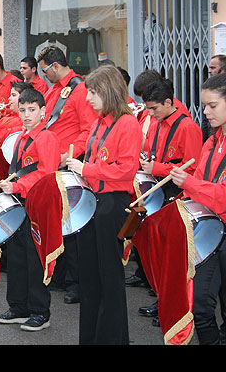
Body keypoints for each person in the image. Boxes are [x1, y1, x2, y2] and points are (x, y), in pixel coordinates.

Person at [65, 65, 141, 345]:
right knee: (90, 276)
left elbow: (126, 170)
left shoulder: (127, 123)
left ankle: (112, 338)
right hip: (92, 202)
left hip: (111, 204)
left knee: (109, 276)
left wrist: (87, 170)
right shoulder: (99, 122)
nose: (88, 98)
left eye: (94, 92)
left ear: (108, 91)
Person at [131, 78, 203, 321]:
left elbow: (192, 170)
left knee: (175, 258)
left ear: (169, 102)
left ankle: (176, 307)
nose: (150, 113)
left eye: (154, 108)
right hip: (157, 192)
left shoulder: (188, 127)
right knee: (156, 250)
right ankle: (162, 299)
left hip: (176, 196)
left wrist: (157, 168)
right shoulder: (156, 123)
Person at [0, 87, 61, 331]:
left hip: (39, 206)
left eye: (32, 110)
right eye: (22, 110)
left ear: (43, 111)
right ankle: (18, 306)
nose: (27, 115)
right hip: (21, 203)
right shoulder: (21, 137)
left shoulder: (47, 138)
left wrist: (18, 186)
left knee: (35, 258)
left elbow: (47, 173)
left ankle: (40, 311)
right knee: (17, 255)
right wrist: (11, 184)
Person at [37, 45, 97, 304]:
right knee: (57, 223)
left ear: (55, 66)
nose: (43, 75)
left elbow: (88, 129)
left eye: (44, 70)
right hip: (53, 163)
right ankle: (60, 275)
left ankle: (77, 283)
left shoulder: (80, 89)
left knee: (73, 226)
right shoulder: (53, 89)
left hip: (70, 163)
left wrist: (70, 155)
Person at [170, 73, 226, 344]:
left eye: (212, 106)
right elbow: (201, 181)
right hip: (211, 233)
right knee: (202, 306)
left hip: (219, 229)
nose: (205, 112)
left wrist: (190, 183)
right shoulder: (212, 140)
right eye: (204, 105)